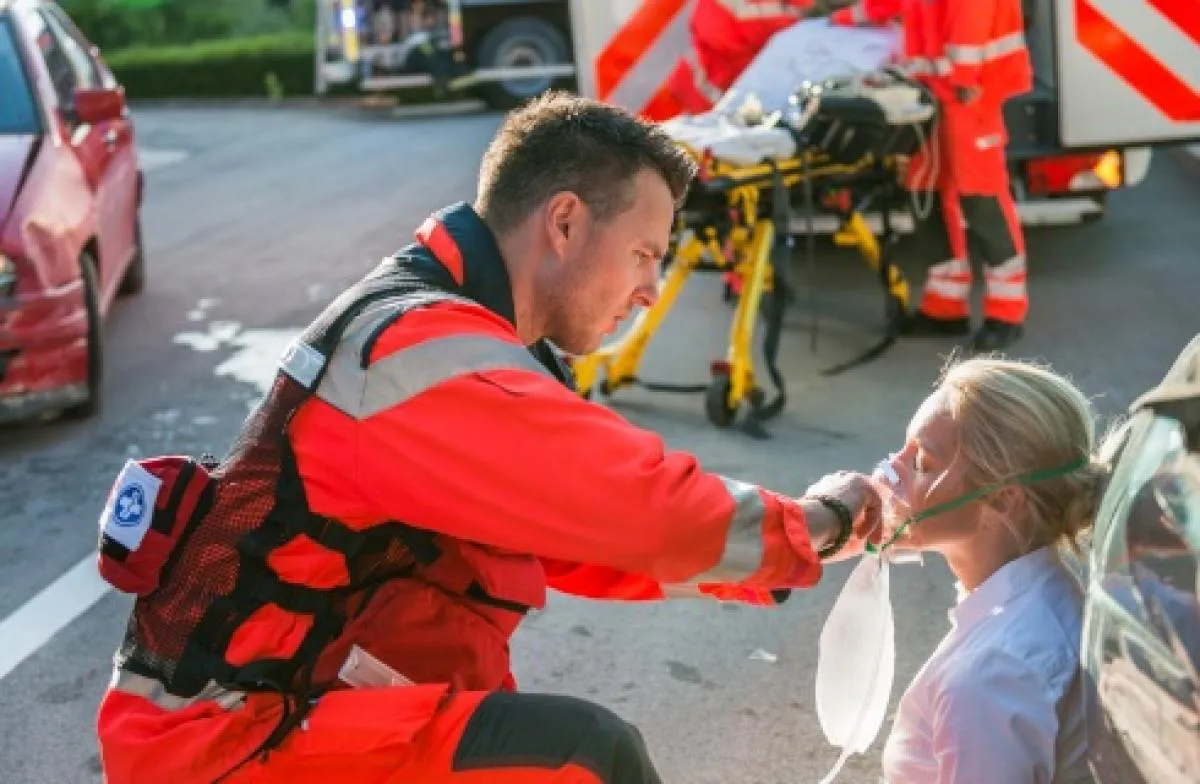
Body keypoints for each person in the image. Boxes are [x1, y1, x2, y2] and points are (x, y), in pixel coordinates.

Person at [94, 91, 883, 784]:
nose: (650, 289)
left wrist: (782, 560)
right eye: (644, 254)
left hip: (257, 713)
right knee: (582, 757)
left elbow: (578, 541)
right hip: (225, 745)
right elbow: (633, 506)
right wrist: (824, 522)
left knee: (493, 717)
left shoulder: (436, 325)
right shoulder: (424, 348)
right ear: (565, 222)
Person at [872, 355, 1110, 782]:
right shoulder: (1045, 592)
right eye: (902, 449)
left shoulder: (987, 677)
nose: (891, 471)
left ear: (1003, 501)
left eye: (923, 462)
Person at [832, 0, 1034, 352]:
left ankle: (1006, 312)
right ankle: (945, 306)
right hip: (930, 89)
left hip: (970, 91)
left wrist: (965, 77)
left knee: (980, 195)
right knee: (923, 193)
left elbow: (972, 16)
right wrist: (840, 18)